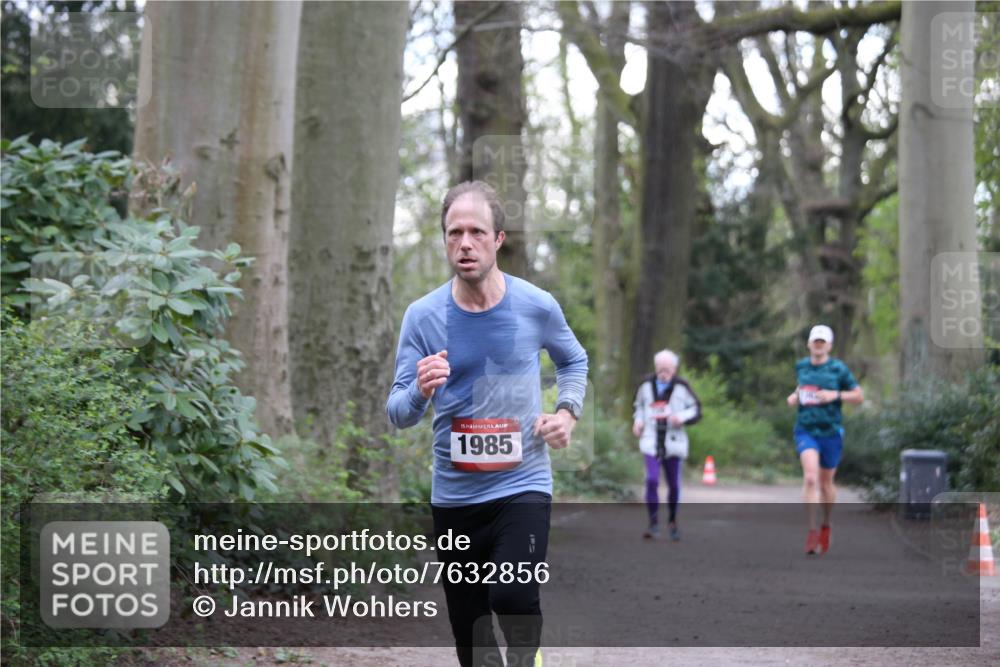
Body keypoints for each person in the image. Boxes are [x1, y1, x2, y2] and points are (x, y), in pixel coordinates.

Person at [386, 180, 588, 667]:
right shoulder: (423, 317)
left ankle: (528, 656)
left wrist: (566, 413)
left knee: (513, 596)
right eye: (454, 233)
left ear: (499, 239)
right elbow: (398, 413)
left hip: (523, 484)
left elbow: (574, 361)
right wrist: (420, 389)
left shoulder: (535, 305)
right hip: (455, 498)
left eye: (477, 231)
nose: (465, 243)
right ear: (444, 241)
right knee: (472, 637)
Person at [786, 324, 863, 555]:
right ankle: (811, 530)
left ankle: (826, 524)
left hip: (830, 431)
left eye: (823, 342)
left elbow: (859, 396)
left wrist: (835, 395)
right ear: (809, 344)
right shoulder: (801, 366)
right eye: (815, 341)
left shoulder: (838, 369)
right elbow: (800, 389)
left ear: (829, 346)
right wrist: (793, 397)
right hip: (806, 429)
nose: (818, 345)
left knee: (826, 483)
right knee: (810, 479)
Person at [632, 349, 701, 541]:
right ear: (655, 368)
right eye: (660, 369)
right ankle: (653, 521)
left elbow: (696, 409)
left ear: (674, 369)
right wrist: (637, 422)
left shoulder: (682, 387)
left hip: (674, 440)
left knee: (673, 484)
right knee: (652, 480)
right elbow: (638, 407)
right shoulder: (645, 385)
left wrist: (682, 417)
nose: (663, 373)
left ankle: (672, 520)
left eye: (667, 369)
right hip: (651, 438)